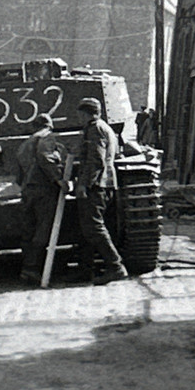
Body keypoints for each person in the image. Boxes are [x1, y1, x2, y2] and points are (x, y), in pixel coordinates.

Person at [72, 97, 128, 285]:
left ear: (86, 113)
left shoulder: (95, 129)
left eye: (80, 114)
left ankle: (116, 267)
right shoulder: (104, 127)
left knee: (93, 227)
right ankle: (85, 269)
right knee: (87, 229)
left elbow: (96, 160)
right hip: (105, 183)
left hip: (97, 185)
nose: (78, 118)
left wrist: (84, 184)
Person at [15, 114, 69, 285]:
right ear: (49, 126)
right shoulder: (46, 138)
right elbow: (45, 157)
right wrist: (59, 179)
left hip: (28, 190)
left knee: (29, 229)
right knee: (43, 228)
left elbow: (18, 175)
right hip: (43, 190)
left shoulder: (24, 144)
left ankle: (28, 268)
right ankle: (36, 269)